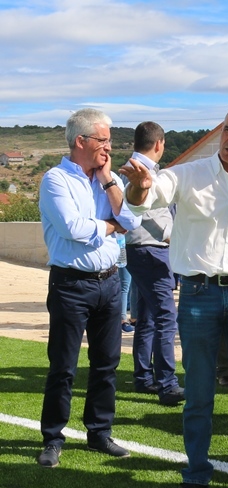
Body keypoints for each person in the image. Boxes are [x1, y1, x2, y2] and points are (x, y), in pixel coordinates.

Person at [122, 105, 228, 488]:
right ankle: (195, 475)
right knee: (197, 393)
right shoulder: (187, 174)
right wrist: (139, 186)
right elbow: (144, 200)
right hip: (197, 296)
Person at [37, 108, 141, 468]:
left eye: (110, 140)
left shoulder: (105, 179)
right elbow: (74, 229)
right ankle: (52, 438)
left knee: (106, 364)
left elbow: (132, 219)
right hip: (70, 284)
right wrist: (112, 226)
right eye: (103, 140)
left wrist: (110, 181)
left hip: (110, 283)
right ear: (81, 141)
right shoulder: (55, 180)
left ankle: (99, 433)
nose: (108, 147)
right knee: (63, 366)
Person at [124, 121, 184, 407]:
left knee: (148, 317)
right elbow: (150, 212)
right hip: (151, 248)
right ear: (159, 144)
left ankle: (144, 377)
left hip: (141, 248)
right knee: (165, 317)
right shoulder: (141, 172)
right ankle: (167, 384)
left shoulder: (133, 167)